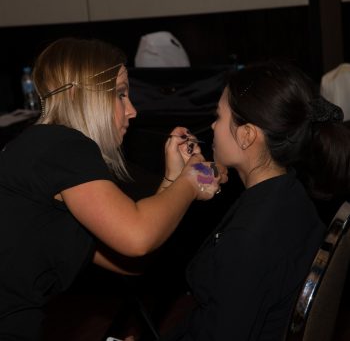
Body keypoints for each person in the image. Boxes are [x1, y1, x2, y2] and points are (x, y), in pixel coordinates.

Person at [0, 37, 227, 341]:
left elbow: (131, 262)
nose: (132, 110)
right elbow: (137, 237)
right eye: (120, 94)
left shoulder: (44, 151)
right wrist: (191, 179)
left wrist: (174, 178)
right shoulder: (62, 145)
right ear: (79, 95)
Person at [159, 60, 350, 341]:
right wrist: (190, 177)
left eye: (219, 116)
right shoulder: (290, 191)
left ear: (247, 135)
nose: (212, 125)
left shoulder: (248, 239)